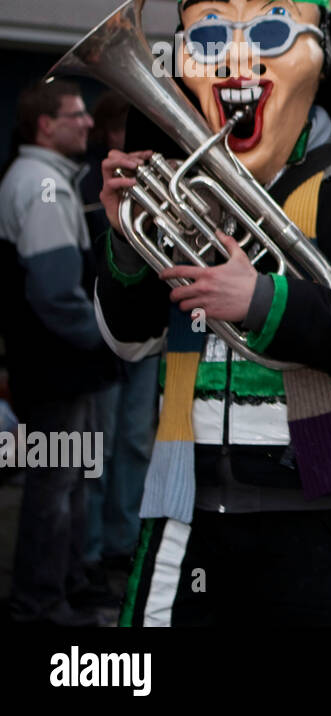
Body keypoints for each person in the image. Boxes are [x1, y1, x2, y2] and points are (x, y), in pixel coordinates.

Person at [94, 0, 331, 626]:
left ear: (321, 52)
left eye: (271, 29)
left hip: (314, 505)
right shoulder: (177, 186)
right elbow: (129, 342)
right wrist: (125, 236)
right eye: (210, 35)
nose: (234, 60)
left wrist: (262, 299)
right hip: (180, 508)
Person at [0, 78, 119, 626]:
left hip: (61, 366)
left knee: (67, 481)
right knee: (55, 487)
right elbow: (54, 293)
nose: (88, 123)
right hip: (58, 367)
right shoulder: (43, 187)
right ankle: (42, 600)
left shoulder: (43, 180)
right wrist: (103, 337)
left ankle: (64, 587)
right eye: (76, 115)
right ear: (46, 125)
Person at [78, 92, 160, 587]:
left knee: (133, 440)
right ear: (109, 134)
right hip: (100, 330)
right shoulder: (87, 182)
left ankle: (122, 542)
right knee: (99, 448)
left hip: (144, 328)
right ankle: (89, 549)